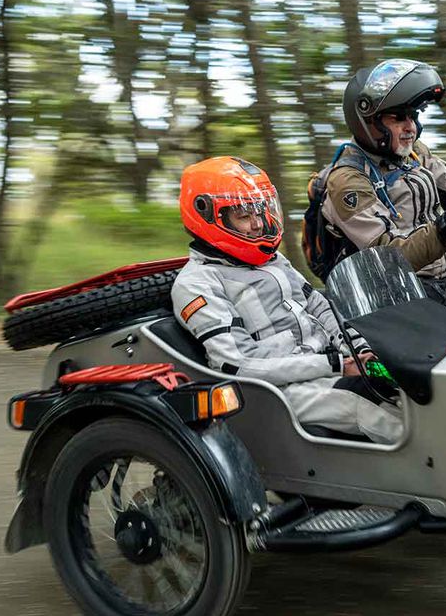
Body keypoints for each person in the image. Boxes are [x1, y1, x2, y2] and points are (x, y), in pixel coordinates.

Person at [171, 156, 402, 444]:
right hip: (275, 391)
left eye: (260, 211)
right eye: (244, 216)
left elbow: (319, 305)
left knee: (411, 391)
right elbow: (237, 365)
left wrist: (357, 348)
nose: (257, 224)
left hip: (325, 366)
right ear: (207, 217)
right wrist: (336, 365)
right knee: (388, 419)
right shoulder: (197, 283)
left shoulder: (272, 260)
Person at [320, 59, 446, 282]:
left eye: (413, 116)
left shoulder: (413, 153)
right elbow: (385, 255)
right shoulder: (348, 180)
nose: (410, 127)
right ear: (368, 121)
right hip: (401, 290)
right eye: (398, 118)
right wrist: (444, 230)